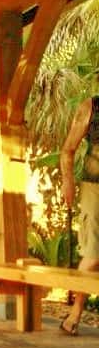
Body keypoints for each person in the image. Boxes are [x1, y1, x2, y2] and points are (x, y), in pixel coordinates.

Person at [59, 95, 99, 335]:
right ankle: (75, 313)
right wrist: (67, 181)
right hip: (95, 187)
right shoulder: (91, 107)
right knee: (93, 254)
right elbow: (68, 149)